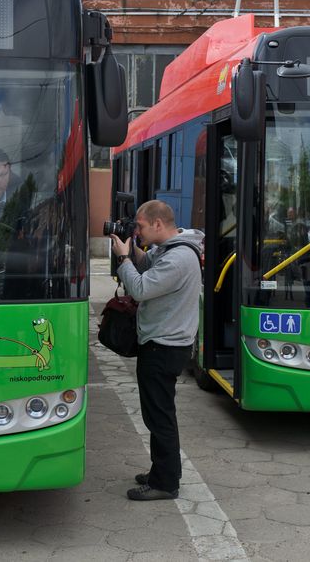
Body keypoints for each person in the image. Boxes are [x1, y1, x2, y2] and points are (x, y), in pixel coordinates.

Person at [109, 200, 204, 501]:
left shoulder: (178, 258)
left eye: (140, 226)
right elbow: (147, 264)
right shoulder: (169, 249)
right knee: (158, 413)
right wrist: (132, 249)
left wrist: (122, 259)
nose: (138, 231)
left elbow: (140, 288)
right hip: (163, 343)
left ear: (158, 224)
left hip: (164, 347)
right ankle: (163, 471)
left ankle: (165, 483)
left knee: (159, 417)